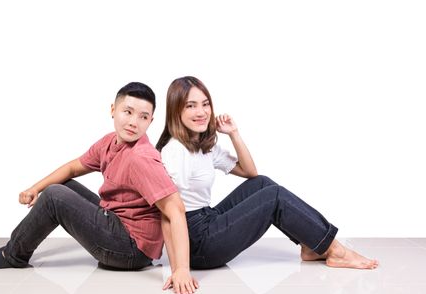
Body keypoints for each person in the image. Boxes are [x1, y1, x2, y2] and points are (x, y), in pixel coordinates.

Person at [0, 82, 198, 294]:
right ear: (113, 110)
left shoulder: (141, 158)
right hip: (116, 221)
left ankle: (13, 254)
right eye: (128, 112)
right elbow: (73, 168)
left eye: (143, 117)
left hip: (131, 250)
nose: (134, 122)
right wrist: (35, 188)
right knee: (64, 185)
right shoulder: (110, 141)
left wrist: (181, 270)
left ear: (151, 121)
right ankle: (13, 245)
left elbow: (175, 209)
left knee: (56, 195)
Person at [156, 76, 379, 270]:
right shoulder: (175, 151)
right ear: (176, 110)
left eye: (205, 104)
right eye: (191, 106)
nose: (202, 112)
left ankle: (311, 247)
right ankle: (335, 251)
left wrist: (233, 133)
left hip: (208, 219)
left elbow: (250, 172)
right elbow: (169, 213)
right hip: (196, 243)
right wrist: (180, 268)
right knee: (273, 197)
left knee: (262, 184)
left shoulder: (203, 144)